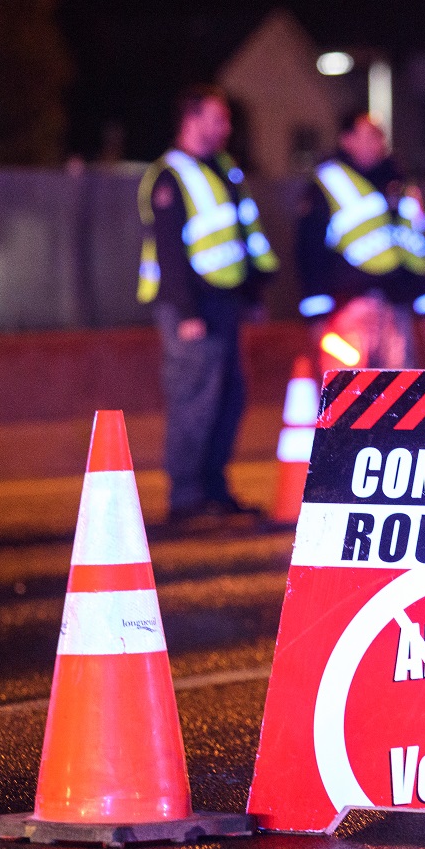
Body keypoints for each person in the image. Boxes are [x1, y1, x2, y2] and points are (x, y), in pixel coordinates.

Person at [137, 85, 279, 522]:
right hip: (191, 307)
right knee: (193, 399)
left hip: (224, 303)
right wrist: (187, 313)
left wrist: (252, 295)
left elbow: (241, 238)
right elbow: (169, 250)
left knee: (229, 398)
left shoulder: (223, 169)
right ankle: (186, 497)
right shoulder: (169, 175)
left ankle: (214, 490)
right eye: (217, 118)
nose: (226, 127)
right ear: (192, 120)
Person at [295, 112, 425, 375]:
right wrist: (316, 313)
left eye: (379, 135)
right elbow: (310, 251)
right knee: (347, 391)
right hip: (347, 308)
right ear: (347, 140)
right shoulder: (327, 181)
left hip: (395, 305)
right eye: (368, 135)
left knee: (400, 390)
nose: (376, 142)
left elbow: (419, 246)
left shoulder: (400, 183)